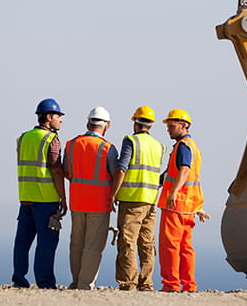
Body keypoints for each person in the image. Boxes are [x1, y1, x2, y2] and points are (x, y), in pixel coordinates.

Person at [12, 98, 68, 289]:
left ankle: (19, 280)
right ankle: (45, 283)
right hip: (46, 200)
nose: (60, 120)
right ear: (49, 117)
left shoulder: (24, 137)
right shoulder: (51, 140)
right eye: (58, 116)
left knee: (22, 241)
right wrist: (64, 198)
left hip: (26, 197)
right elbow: (56, 170)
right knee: (47, 244)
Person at [110, 106, 167, 291]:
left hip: (132, 200)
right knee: (147, 243)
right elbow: (160, 176)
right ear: (150, 125)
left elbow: (121, 169)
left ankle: (128, 283)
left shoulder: (131, 141)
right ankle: (146, 283)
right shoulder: (159, 146)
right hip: (151, 202)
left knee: (127, 241)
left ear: (136, 122)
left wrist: (113, 194)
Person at [63, 106, 119, 290]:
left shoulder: (71, 144)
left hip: (77, 201)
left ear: (88, 122)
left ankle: (75, 280)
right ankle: (85, 284)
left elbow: (67, 171)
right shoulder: (108, 149)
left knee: (76, 243)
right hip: (99, 204)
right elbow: (115, 174)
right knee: (93, 246)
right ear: (107, 125)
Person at [157, 109, 210, 293]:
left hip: (175, 205)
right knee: (185, 248)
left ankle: (171, 284)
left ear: (183, 125)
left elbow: (185, 170)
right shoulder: (193, 146)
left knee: (169, 246)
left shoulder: (183, 146)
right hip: (189, 207)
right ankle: (189, 285)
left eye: (171, 126)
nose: (168, 130)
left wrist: (172, 193)